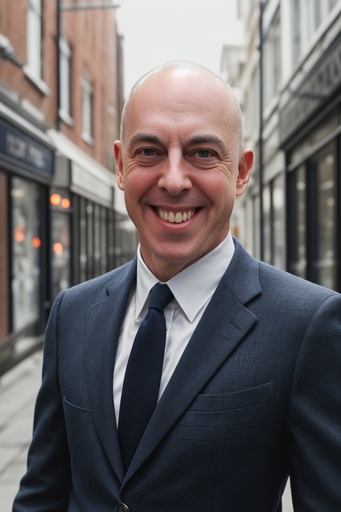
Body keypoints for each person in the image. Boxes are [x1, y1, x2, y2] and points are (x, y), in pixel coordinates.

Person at [13, 61, 341, 512]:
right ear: (121, 166)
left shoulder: (307, 325)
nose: (172, 179)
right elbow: (42, 492)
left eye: (202, 153)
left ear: (242, 172)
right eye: (147, 151)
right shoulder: (72, 313)